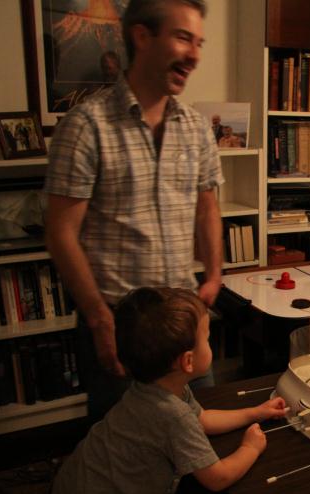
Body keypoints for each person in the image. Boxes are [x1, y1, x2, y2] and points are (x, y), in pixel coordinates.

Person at [18, 287, 286, 494]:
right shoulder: (172, 416)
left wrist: (256, 412)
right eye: (207, 337)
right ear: (188, 361)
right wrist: (250, 448)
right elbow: (217, 477)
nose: (210, 342)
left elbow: (202, 419)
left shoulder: (154, 387)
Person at [44, 0, 224, 424]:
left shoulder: (196, 127)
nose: (195, 55)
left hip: (184, 322)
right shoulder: (85, 126)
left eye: (199, 43)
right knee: (124, 449)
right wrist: (98, 319)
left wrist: (214, 275)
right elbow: (60, 232)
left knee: (200, 435)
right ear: (142, 37)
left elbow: (207, 208)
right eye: (183, 38)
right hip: (122, 327)